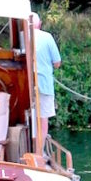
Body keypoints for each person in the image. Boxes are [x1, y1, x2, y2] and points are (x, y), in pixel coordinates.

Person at [31, 12, 61, 142]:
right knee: (43, 120)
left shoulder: (24, 37)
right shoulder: (47, 37)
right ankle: (39, 153)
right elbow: (57, 63)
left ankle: (30, 148)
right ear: (40, 24)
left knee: (30, 117)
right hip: (44, 83)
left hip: (27, 84)